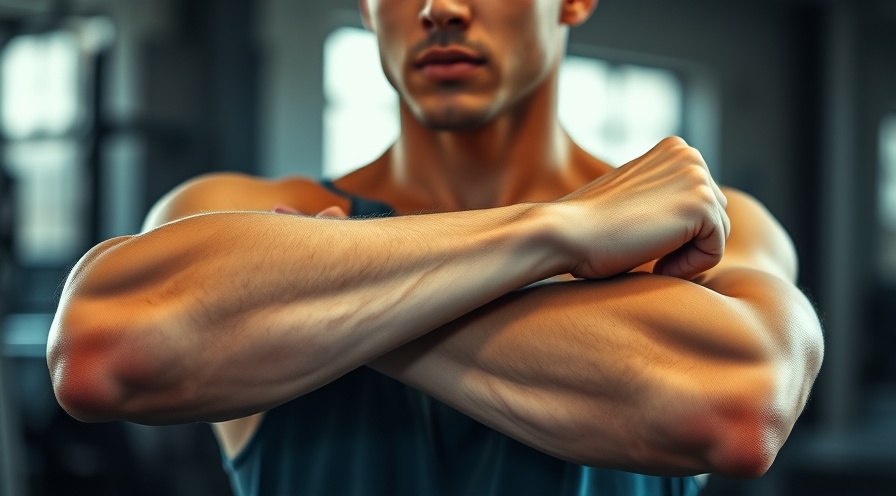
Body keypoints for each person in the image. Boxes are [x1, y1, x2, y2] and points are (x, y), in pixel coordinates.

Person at [47, 0, 824, 495]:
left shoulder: (713, 227)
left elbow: (735, 407)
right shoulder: (229, 208)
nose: (439, 9)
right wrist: (558, 230)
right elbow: (100, 352)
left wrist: (335, 297)